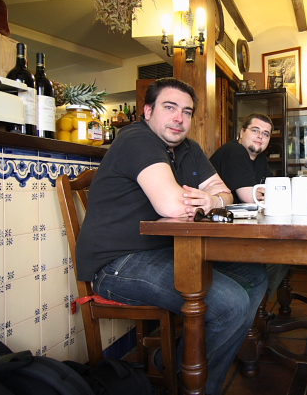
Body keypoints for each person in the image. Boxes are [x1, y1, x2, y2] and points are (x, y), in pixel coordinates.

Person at [75, 78, 268, 395]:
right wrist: (200, 200)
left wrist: (212, 200)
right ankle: (194, 381)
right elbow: (173, 207)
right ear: (148, 111)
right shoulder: (136, 138)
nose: (180, 118)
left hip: (168, 253)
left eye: (187, 111)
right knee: (231, 304)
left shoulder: (188, 149)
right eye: (170, 107)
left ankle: (174, 360)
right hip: (116, 264)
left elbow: (227, 194)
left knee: (255, 276)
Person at [210, 113, 291, 298]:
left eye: (266, 134)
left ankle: (257, 303)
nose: (260, 136)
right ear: (242, 132)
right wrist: (267, 193)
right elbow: (250, 196)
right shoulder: (234, 151)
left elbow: (273, 191)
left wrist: (269, 192)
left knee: (285, 253)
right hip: (217, 236)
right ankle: (255, 303)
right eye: (255, 130)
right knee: (282, 253)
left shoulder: (259, 159)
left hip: (239, 229)